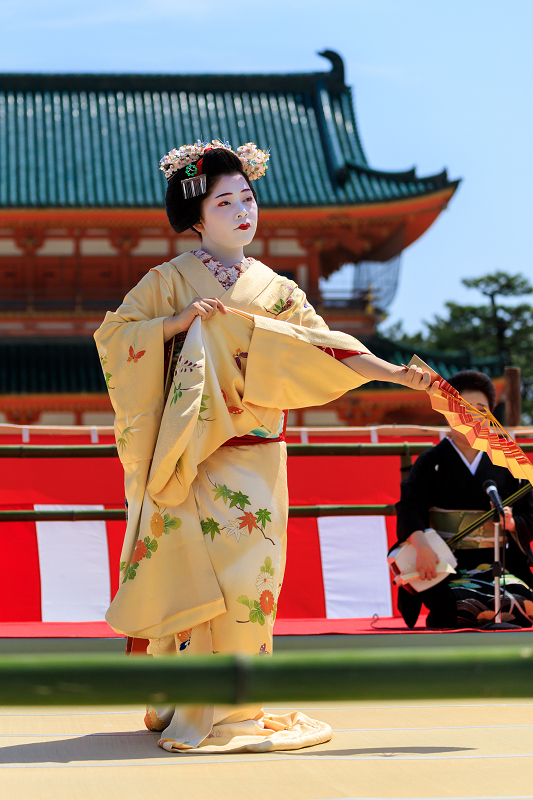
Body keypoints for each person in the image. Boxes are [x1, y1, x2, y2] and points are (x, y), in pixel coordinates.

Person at [94, 139, 432, 754]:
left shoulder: (277, 290)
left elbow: (327, 347)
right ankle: (187, 701)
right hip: (191, 461)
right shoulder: (166, 281)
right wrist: (176, 323)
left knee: (251, 585)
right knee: (196, 579)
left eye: (248, 197)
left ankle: (237, 706)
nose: (243, 210)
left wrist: (391, 372)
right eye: (225, 201)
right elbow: (114, 338)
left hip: (257, 456)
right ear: (197, 216)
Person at [396, 369, 533, 629]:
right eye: (464, 407)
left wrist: (513, 524)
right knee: (456, 607)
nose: (472, 415)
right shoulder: (431, 462)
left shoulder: (509, 462)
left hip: (498, 565)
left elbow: (530, 512)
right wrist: (423, 547)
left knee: (525, 605)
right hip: (446, 566)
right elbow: (408, 508)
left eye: (480, 408)